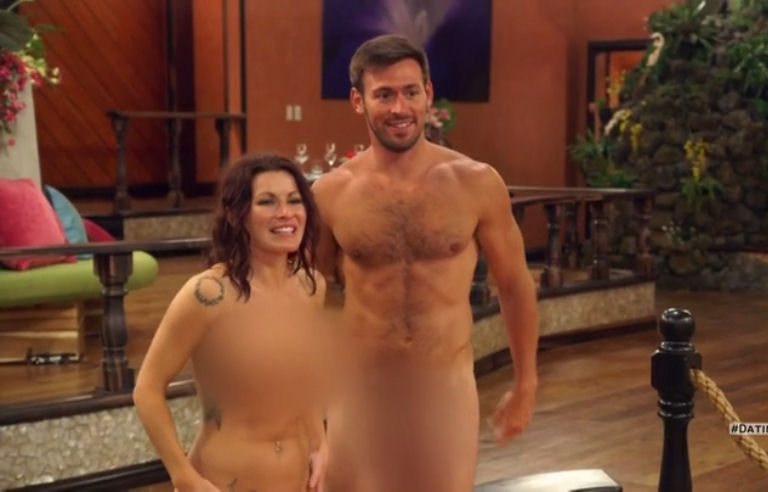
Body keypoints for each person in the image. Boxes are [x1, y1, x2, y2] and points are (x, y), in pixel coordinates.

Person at [312, 34, 539, 491]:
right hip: (359, 390)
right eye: (384, 95)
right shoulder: (331, 194)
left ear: (428, 94)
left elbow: (515, 285)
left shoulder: (475, 183)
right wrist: (303, 411)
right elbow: (309, 298)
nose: (400, 108)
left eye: (410, 92)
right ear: (358, 101)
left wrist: (526, 384)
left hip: (444, 390)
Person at [134, 154, 330, 492]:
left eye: (294, 200)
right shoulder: (208, 294)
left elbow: (305, 382)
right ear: (238, 215)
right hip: (225, 480)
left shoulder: (311, 287)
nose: (286, 213)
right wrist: (182, 475)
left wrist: (321, 442)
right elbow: (147, 390)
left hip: (299, 479)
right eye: (267, 202)